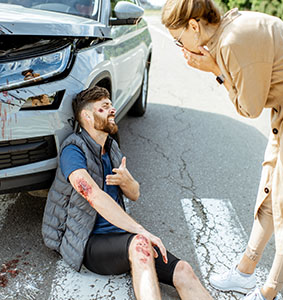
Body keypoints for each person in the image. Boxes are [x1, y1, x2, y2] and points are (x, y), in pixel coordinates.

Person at [161, 1, 283, 300]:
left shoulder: (231, 43)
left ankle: (268, 293)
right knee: (269, 192)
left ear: (194, 27)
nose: (180, 46)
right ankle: (245, 272)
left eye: (178, 38)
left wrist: (215, 70)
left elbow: (249, 108)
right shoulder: (228, 30)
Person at [42, 86, 213, 300]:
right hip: (88, 242)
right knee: (141, 245)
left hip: (121, 237)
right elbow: (92, 194)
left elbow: (134, 194)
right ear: (86, 116)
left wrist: (127, 181)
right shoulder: (73, 149)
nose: (112, 109)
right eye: (104, 107)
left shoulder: (111, 147)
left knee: (183, 270)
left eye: (111, 105)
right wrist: (142, 230)